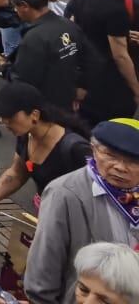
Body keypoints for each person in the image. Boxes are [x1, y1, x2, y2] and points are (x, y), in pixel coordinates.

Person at [24, 119, 139, 304]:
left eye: (133, 161)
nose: (120, 167)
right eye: (110, 155)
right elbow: (42, 275)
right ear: (93, 149)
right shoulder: (64, 193)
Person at [0, 82, 90, 221]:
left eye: (10, 117)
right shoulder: (26, 136)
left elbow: (95, 196)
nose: (5, 122)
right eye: (2, 116)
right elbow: (17, 173)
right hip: (48, 215)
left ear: (34, 115)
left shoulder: (76, 148)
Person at [69, 0, 139, 125]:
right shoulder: (116, 9)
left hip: (86, 78)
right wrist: (137, 90)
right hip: (111, 84)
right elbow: (120, 56)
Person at [6, 0, 87, 112]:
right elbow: (88, 60)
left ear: (24, 6)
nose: (15, 11)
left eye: (15, 6)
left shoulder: (34, 37)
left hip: (45, 109)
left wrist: (7, 70)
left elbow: (23, 81)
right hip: (69, 104)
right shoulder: (69, 25)